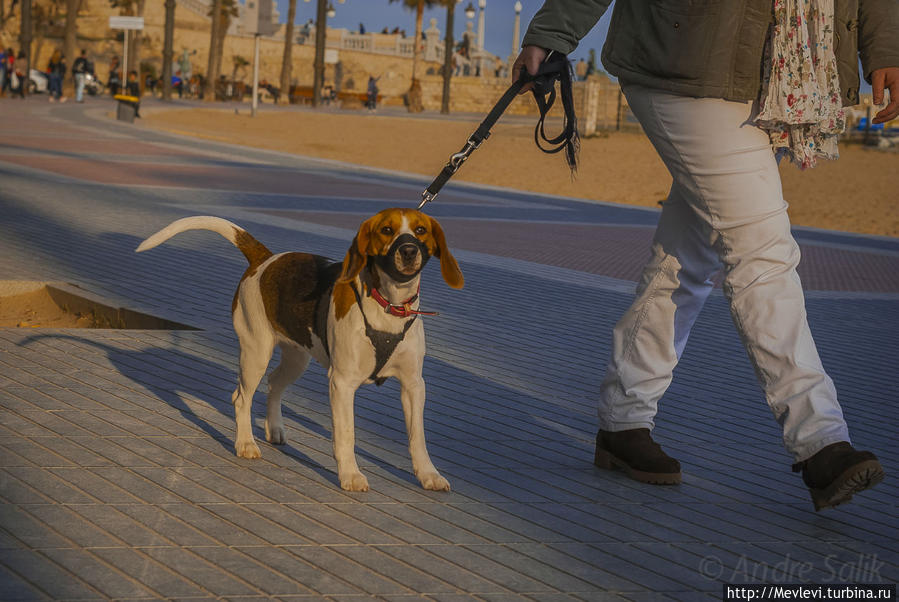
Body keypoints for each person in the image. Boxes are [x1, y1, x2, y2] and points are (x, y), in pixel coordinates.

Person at [514, 0, 898, 510]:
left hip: (771, 70)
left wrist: (885, 48)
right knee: (762, 251)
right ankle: (820, 439)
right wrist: (550, 32)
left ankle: (624, 418)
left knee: (687, 257)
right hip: (683, 58)